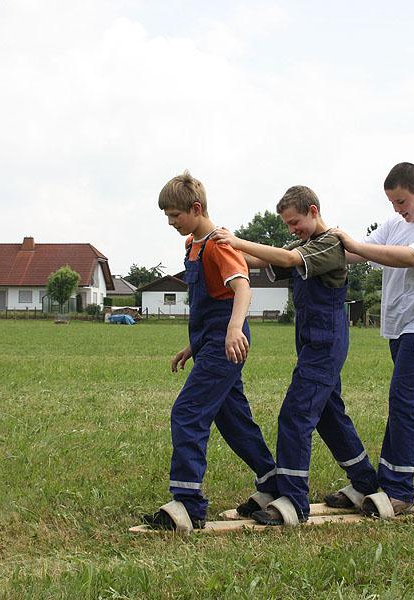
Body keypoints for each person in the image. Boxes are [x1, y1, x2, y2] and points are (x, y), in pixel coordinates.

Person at [210, 185, 379, 525]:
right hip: (311, 342)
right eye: (287, 224)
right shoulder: (305, 244)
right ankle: (366, 484)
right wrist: (221, 250)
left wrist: (236, 240)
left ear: (314, 211)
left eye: (295, 222)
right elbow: (269, 257)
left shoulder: (330, 244)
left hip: (326, 344)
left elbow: (287, 259)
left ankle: (293, 501)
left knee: (295, 415)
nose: (292, 229)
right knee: (330, 416)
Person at [141, 171, 278, 531]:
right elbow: (208, 300)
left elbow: (243, 289)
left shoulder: (219, 245)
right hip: (209, 342)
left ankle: (188, 504)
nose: (171, 222)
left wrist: (233, 329)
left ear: (196, 208)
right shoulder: (192, 245)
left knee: (187, 412)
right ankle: (274, 481)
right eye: (167, 216)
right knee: (233, 420)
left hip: (226, 343)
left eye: (175, 215)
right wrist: (193, 345)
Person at [331, 162, 414, 518]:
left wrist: (353, 243)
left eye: (402, 201)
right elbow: (358, 253)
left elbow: (410, 258)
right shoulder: (395, 224)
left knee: (404, 401)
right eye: (392, 203)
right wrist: (315, 248)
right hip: (401, 328)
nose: (398, 210)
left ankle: (397, 491)